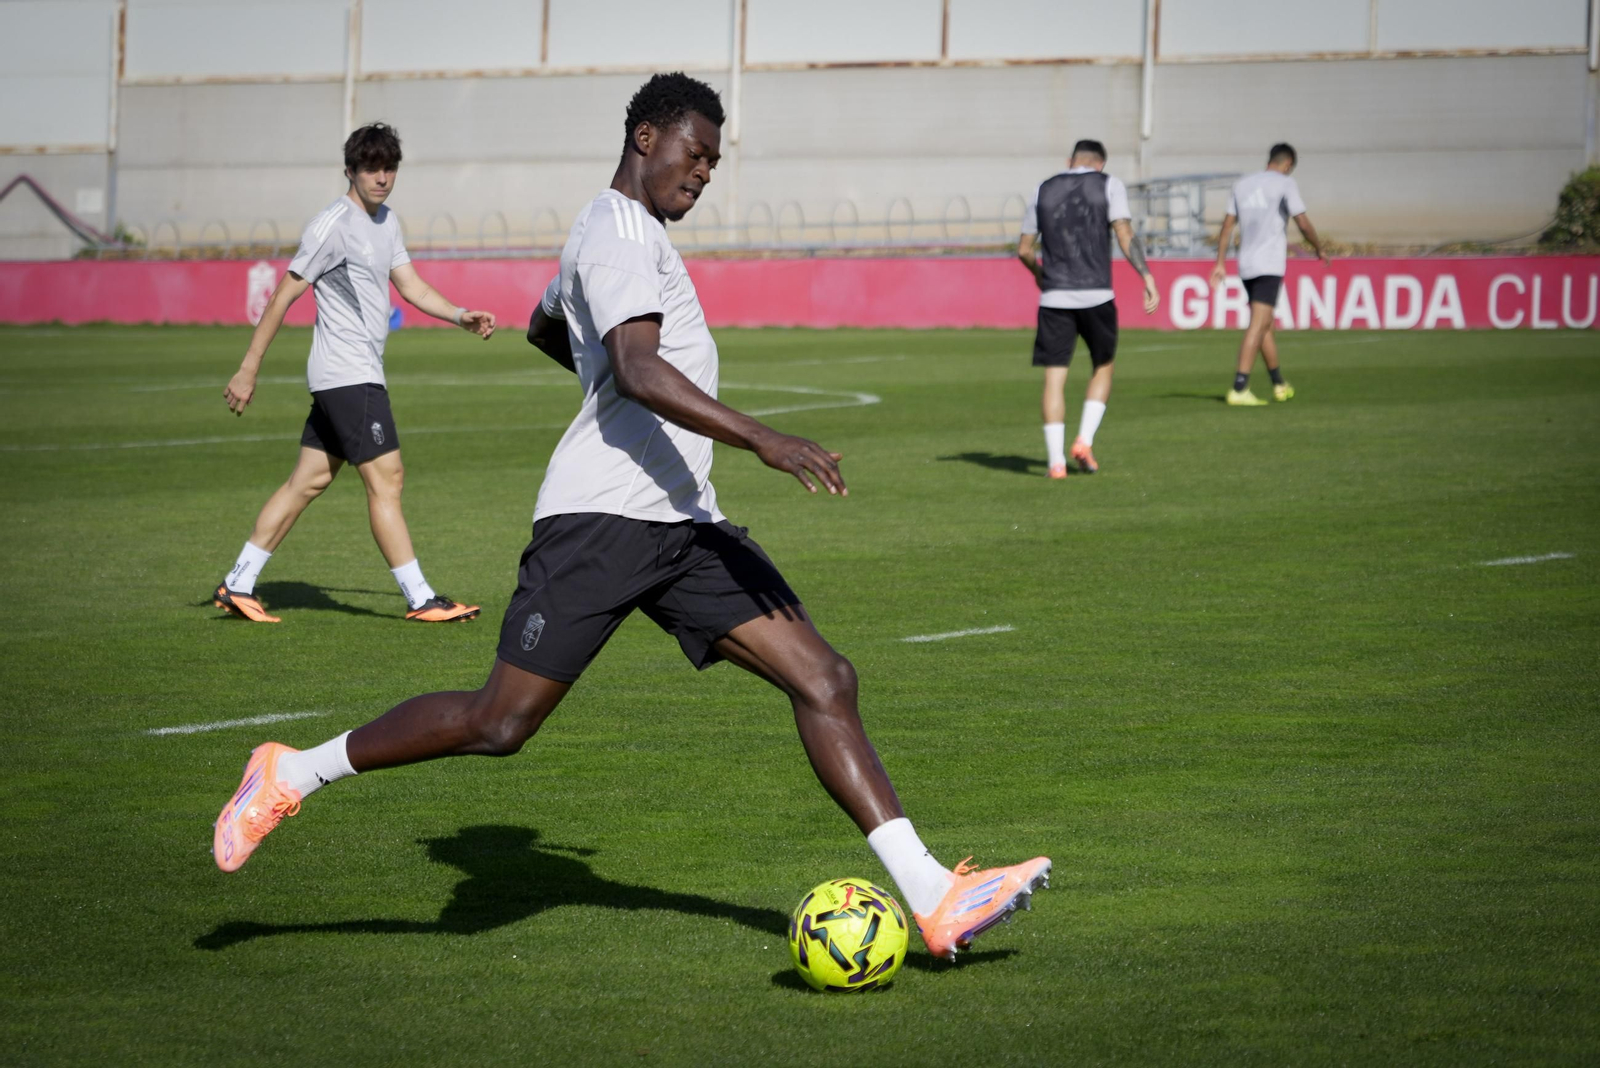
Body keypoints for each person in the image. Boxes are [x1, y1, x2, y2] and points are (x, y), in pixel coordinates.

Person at [211, 74, 1050, 964]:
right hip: (603, 521)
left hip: (684, 525)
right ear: (646, 137)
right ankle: (291, 771)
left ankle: (934, 897)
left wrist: (598, 376)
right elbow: (640, 368)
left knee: (825, 678)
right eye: (696, 153)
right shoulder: (614, 228)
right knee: (500, 723)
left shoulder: (626, 235)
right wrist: (761, 437)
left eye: (714, 162)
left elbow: (548, 324)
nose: (705, 173)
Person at [212, 123, 495, 624]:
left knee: (307, 482)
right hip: (348, 375)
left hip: (349, 375)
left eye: (390, 168)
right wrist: (248, 368)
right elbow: (283, 295)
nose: (382, 178)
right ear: (350, 170)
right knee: (388, 479)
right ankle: (420, 597)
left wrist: (458, 315)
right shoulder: (332, 225)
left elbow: (411, 286)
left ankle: (238, 582)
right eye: (371, 169)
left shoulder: (387, 221)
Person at [1018, 139, 1159, 479]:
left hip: (1055, 298)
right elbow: (1124, 234)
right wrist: (1147, 276)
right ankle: (1084, 440)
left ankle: (1055, 463)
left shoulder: (1042, 188)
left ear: (1070, 160)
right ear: (1100, 163)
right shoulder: (1109, 185)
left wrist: (1039, 274)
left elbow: (1024, 250)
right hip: (1097, 295)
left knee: (1054, 379)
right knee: (1103, 366)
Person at [1209, 143, 1329, 406]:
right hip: (1269, 264)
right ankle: (1239, 387)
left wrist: (1220, 262)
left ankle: (1279, 384)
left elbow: (1227, 227)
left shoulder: (1242, 184)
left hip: (1246, 264)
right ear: (1287, 165)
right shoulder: (1285, 184)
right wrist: (1318, 247)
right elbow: (1302, 222)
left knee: (1265, 325)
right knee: (1258, 324)